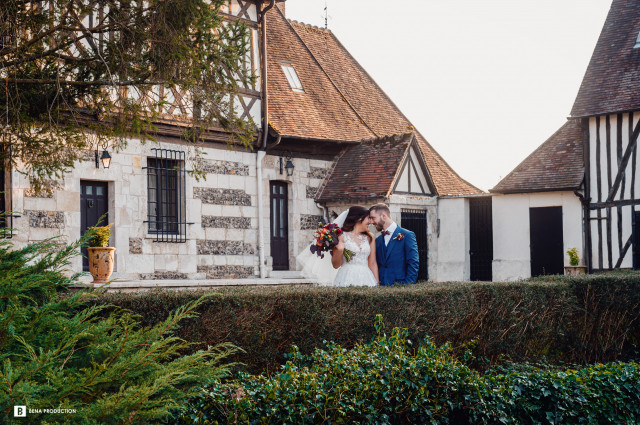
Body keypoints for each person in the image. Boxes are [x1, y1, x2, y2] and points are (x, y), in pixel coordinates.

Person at [369, 203, 419, 285]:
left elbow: (413, 263)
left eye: (373, 218)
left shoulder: (407, 235)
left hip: (400, 287)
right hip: (381, 290)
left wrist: (408, 287)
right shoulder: (377, 240)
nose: (371, 222)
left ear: (383, 216)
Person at [331, 206, 379, 287]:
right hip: (346, 276)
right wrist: (339, 250)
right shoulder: (341, 236)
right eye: (368, 218)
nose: (370, 222)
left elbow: (373, 263)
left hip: (367, 277)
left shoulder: (370, 237)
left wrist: (377, 285)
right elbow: (335, 265)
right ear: (359, 219)